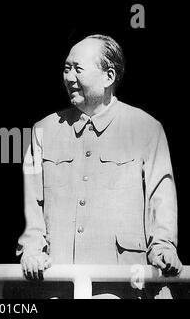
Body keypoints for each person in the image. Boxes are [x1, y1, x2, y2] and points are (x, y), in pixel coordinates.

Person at [17, 34, 182, 298]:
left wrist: (163, 247)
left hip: (124, 285)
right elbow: (31, 208)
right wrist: (32, 248)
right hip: (60, 284)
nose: (69, 77)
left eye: (78, 69)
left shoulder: (146, 128)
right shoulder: (43, 131)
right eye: (66, 68)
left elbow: (159, 199)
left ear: (109, 76)